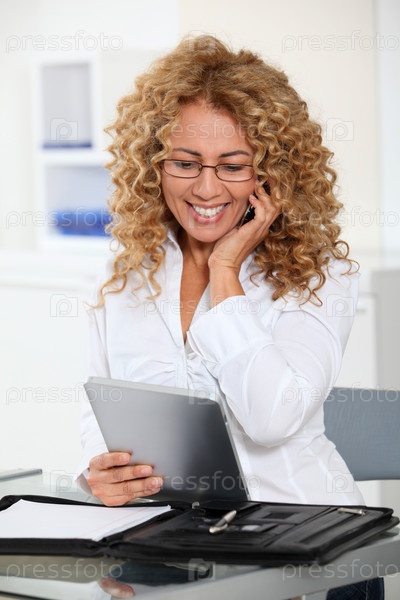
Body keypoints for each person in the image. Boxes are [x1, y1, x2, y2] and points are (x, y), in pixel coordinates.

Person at [76, 34, 384, 599]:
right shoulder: (123, 273)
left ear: (270, 173)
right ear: (153, 166)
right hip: (172, 550)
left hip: (308, 554)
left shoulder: (321, 275)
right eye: (185, 163)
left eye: (233, 166)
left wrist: (225, 271)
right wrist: (98, 472)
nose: (206, 188)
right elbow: (100, 406)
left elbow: (271, 418)